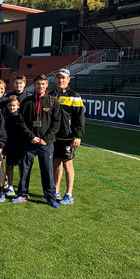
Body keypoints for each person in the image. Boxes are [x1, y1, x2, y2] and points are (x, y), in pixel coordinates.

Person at [12, 74, 62, 208]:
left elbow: (56, 123)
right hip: (29, 142)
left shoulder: (52, 101)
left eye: (43, 84)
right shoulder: (27, 101)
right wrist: (31, 137)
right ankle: (22, 194)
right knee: (25, 170)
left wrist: (45, 139)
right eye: (38, 84)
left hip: (46, 143)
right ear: (34, 85)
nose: (40, 86)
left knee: (47, 170)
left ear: (47, 85)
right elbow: (21, 122)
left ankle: (50, 197)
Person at [51, 69, 85, 205]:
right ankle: (56, 191)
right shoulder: (51, 95)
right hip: (54, 137)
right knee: (55, 164)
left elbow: (80, 117)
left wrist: (78, 136)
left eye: (63, 78)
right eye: (58, 78)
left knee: (67, 165)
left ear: (68, 79)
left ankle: (69, 194)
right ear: (55, 79)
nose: (61, 80)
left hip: (68, 137)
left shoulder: (74, 96)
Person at [2, 96, 22, 197]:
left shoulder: (21, 117)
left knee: (21, 165)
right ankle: (10, 186)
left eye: (14, 105)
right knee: (9, 165)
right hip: (9, 144)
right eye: (10, 105)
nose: (12, 107)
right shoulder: (4, 117)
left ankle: (21, 184)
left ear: (18, 106)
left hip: (19, 144)